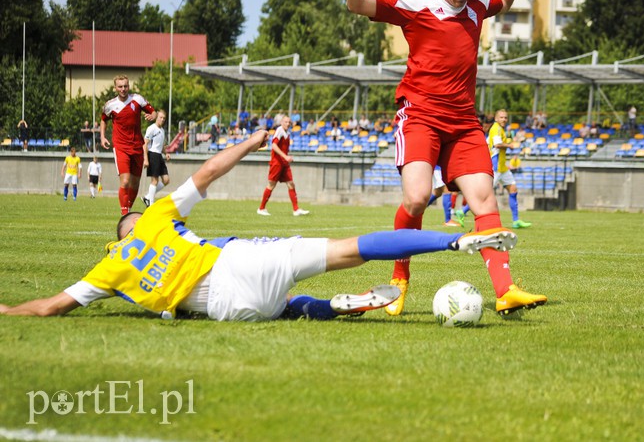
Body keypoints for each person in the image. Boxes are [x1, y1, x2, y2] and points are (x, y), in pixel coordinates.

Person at [0, 129, 518, 321]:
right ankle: (455, 238)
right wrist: (249, 143)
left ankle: (319, 309)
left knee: (285, 306)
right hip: (241, 262)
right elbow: (206, 172)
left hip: (233, 310)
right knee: (353, 248)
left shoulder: (110, 270)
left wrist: (6, 309)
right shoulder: (157, 214)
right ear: (134, 223)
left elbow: (49, 308)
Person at [345, 0, 546, 316]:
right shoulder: (415, 3)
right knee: (417, 197)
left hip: (464, 124)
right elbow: (357, 3)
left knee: (485, 199)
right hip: (419, 116)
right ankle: (398, 281)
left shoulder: (476, 6)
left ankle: (505, 291)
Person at [100, 75, 157, 215]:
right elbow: (103, 120)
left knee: (135, 183)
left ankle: (129, 208)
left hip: (137, 146)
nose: (123, 89)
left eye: (125, 86)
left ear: (129, 86)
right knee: (125, 181)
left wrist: (153, 116)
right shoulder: (110, 105)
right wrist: (102, 136)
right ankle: (124, 213)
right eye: (120, 86)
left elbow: (153, 112)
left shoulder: (137, 99)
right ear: (115, 88)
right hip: (121, 147)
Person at [257, 115, 310, 217]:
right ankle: (261, 208)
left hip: (284, 163)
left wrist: (286, 158)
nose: (288, 124)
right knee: (271, 185)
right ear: (281, 122)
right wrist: (285, 156)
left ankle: (296, 210)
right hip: (277, 162)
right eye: (286, 122)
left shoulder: (287, 133)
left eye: (289, 122)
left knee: (291, 184)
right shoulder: (279, 130)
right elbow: (274, 145)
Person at [488, 109, 531, 229]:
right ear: (496, 119)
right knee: (484, 194)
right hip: (495, 167)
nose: (504, 119)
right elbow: (497, 145)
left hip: (503, 167)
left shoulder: (500, 129)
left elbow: (503, 142)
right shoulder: (496, 128)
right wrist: (510, 145)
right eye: (501, 117)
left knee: (513, 189)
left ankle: (516, 221)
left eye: (505, 117)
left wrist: (513, 142)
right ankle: (463, 211)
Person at [142, 110, 171, 207]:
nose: (162, 119)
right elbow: (145, 144)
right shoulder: (151, 128)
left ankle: (147, 197)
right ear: (156, 117)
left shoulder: (162, 130)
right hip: (152, 155)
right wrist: (146, 159)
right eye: (160, 117)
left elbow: (161, 145)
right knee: (154, 181)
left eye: (164, 118)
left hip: (159, 156)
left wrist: (166, 153)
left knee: (166, 180)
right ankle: (151, 204)